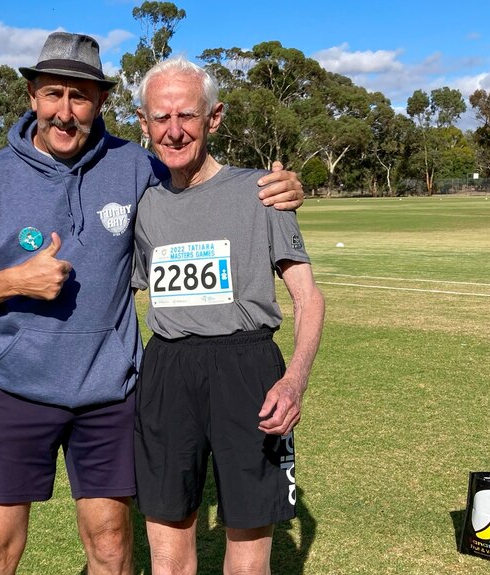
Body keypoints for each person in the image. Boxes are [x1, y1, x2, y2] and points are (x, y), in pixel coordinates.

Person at [0, 32, 304, 575]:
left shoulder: (134, 165)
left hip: (107, 395)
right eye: (53, 94)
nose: (64, 111)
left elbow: (200, 177)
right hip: (13, 388)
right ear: (32, 96)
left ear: (100, 102)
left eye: (79, 96)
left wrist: (281, 189)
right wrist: (14, 281)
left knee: (110, 544)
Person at [131, 57, 325, 575]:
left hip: (247, 367)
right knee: (168, 551)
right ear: (143, 123)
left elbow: (308, 297)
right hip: (168, 371)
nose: (174, 131)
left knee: (248, 552)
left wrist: (294, 382)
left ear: (214, 118)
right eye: (160, 118)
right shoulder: (141, 203)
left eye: (187, 116)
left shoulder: (262, 191)